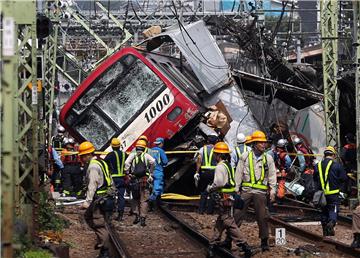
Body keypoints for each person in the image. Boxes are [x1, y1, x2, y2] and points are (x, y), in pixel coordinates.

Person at [206, 142, 253, 258]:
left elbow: (219, 183)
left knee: (227, 221)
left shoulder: (220, 166)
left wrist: (209, 188)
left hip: (224, 196)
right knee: (220, 221)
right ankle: (213, 244)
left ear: (218, 155)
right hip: (229, 195)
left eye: (215, 154)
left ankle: (244, 244)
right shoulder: (228, 165)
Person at [233, 130, 277, 252]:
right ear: (254, 144)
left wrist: (273, 191)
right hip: (246, 191)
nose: (264, 145)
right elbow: (238, 173)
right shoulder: (245, 157)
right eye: (261, 143)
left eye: (264, 143)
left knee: (262, 217)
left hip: (260, 193)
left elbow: (272, 175)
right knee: (237, 215)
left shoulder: (268, 158)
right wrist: (236, 190)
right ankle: (229, 238)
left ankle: (264, 241)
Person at [80, 141, 115, 258]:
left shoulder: (93, 166)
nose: (82, 159)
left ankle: (104, 250)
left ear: (88, 155)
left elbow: (92, 185)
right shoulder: (101, 161)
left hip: (99, 199)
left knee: (99, 224)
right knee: (94, 220)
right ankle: (102, 244)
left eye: (82, 156)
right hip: (106, 197)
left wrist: (87, 201)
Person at [313, 146, 347, 236]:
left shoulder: (317, 165)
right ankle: (331, 223)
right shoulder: (337, 166)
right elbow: (343, 178)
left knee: (324, 210)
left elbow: (315, 179)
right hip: (333, 194)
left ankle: (325, 230)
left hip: (322, 194)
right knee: (333, 210)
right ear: (333, 155)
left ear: (324, 155)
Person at [124, 139, 155, 227]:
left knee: (135, 198)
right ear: (144, 148)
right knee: (144, 200)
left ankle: (136, 215)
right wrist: (151, 173)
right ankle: (143, 218)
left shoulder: (133, 155)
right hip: (144, 180)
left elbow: (126, 163)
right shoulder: (147, 156)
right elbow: (153, 162)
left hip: (135, 180)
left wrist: (127, 173)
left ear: (136, 147)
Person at [194, 133, 218, 214]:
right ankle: (210, 211)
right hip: (214, 172)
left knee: (203, 192)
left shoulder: (202, 149)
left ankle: (201, 210)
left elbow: (199, 160)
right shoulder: (217, 149)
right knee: (213, 191)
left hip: (204, 172)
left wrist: (197, 172)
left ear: (207, 140)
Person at [104, 138, 127, 221]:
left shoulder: (110, 155)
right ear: (119, 145)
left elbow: (104, 163)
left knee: (110, 196)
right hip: (122, 178)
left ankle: (109, 214)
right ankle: (120, 215)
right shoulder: (125, 154)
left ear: (112, 146)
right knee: (121, 197)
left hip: (113, 178)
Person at [149, 137, 168, 210]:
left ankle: (157, 203)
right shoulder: (161, 151)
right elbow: (165, 162)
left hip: (150, 172)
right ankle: (150, 202)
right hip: (158, 172)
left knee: (152, 188)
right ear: (162, 143)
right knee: (157, 188)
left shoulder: (150, 150)